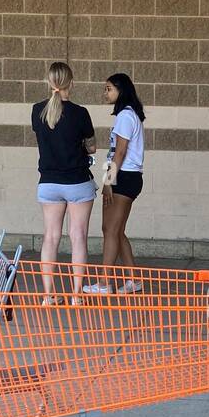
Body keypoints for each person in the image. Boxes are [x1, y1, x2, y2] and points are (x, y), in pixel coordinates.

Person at [31, 61, 96, 301]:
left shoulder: (37, 110)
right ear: (72, 83)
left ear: (49, 82)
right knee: (78, 236)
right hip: (77, 181)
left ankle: (49, 295)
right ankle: (77, 294)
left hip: (48, 182)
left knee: (50, 236)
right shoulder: (80, 113)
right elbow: (91, 147)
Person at [84, 73, 146, 295]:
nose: (105, 92)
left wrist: (109, 181)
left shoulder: (126, 116)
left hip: (124, 176)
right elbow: (115, 153)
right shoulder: (126, 116)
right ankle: (134, 280)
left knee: (110, 230)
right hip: (123, 175)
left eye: (109, 88)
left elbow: (120, 151)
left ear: (121, 90)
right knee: (115, 231)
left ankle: (103, 283)